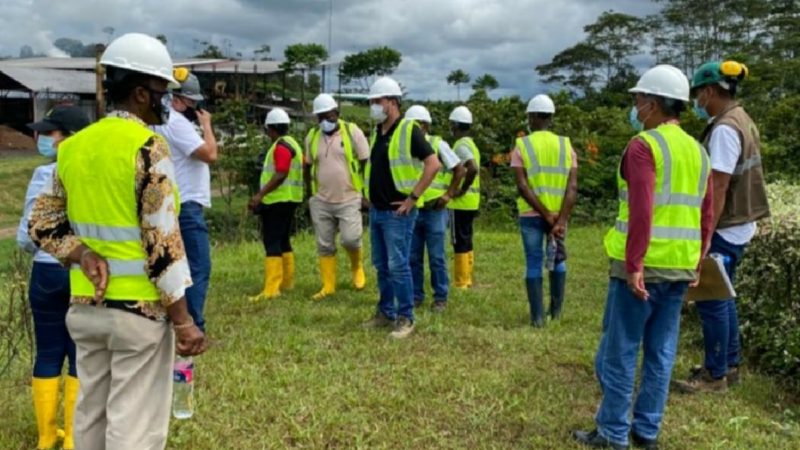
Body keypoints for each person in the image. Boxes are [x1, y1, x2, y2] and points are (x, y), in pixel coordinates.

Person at [28, 33, 207, 450]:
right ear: (141, 93)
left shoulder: (73, 147)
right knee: (133, 428)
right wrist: (183, 320)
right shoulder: (147, 147)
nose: (167, 103)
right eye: (163, 93)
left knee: (90, 416)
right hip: (139, 316)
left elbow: (42, 224)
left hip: (85, 309)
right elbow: (162, 241)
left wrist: (82, 253)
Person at [572, 65, 714, 449]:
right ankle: (646, 431)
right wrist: (698, 263)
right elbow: (706, 213)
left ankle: (613, 433)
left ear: (652, 104)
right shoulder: (699, 151)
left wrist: (634, 264)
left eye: (637, 101)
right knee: (661, 352)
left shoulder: (643, 146)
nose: (634, 108)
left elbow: (642, 210)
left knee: (619, 353)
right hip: (680, 266)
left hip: (641, 270)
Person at [673, 60, 769, 393]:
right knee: (725, 299)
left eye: (699, 94)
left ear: (711, 91)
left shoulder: (726, 128)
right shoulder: (740, 118)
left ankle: (715, 377)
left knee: (711, 299)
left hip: (726, 227)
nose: (697, 101)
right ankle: (728, 365)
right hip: (739, 224)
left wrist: (703, 237)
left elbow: (718, 186)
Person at [18, 105, 90, 450]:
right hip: (82, 272)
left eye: (51, 133)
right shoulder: (91, 172)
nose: (43, 138)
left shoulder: (41, 175)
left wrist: (47, 252)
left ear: (69, 137)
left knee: (47, 352)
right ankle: (75, 438)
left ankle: (46, 437)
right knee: (79, 354)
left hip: (46, 271)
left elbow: (25, 236)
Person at [361, 77, 441, 339]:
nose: (373, 106)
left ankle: (406, 317)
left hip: (398, 213)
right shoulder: (378, 132)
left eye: (377, 101)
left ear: (392, 102)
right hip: (378, 211)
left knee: (398, 265)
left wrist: (412, 198)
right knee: (381, 265)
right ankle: (386, 312)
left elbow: (433, 164)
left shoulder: (409, 130)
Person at [154, 69, 217, 332]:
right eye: (192, 102)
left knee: (175, 266)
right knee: (198, 267)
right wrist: (207, 126)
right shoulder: (176, 123)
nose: (195, 107)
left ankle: (175, 321)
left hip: (173, 202)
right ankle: (193, 325)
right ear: (176, 99)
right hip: (187, 205)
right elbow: (210, 154)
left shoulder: (160, 120)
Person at [511, 94, 578, 327]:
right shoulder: (565, 145)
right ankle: (556, 313)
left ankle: (537, 318)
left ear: (532, 116)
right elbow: (572, 186)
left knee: (533, 261)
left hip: (531, 215)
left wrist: (544, 214)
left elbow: (522, 185)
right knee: (558, 259)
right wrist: (560, 219)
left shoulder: (522, 145)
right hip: (559, 216)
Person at [304, 93, 370, 300]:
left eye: (329, 115)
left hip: (349, 197)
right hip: (321, 199)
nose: (325, 120)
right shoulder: (312, 136)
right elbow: (306, 166)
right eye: (320, 117)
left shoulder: (353, 132)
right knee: (324, 244)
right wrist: (310, 195)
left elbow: (366, 163)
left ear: (337, 113)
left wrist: (366, 194)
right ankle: (328, 285)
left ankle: (357, 267)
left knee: (351, 239)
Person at [404, 105, 466, 312]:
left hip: (434, 210)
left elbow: (460, 169)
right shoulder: (404, 146)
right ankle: (415, 295)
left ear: (424, 126)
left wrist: (448, 195)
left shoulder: (437, 144)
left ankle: (441, 297)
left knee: (436, 256)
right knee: (412, 256)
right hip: (414, 209)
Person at [248, 108, 303, 300]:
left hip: (277, 200)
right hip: (290, 199)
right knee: (283, 240)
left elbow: (281, 173)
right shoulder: (293, 143)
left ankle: (272, 288)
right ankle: (286, 282)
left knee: (271, 241)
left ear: (271, 130)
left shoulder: (280, 146)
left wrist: (260, 195)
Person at [447, 106, 480, 288]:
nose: (451, 128)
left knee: (458, 240)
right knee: (466, 238)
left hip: (461, 203)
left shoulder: (461, 145)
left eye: (452, 124)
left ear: (457, 125)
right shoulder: (472, 144)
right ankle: (467, 278)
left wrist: (462, 190)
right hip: (471, 203)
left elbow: (472, 168)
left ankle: (461, 281)